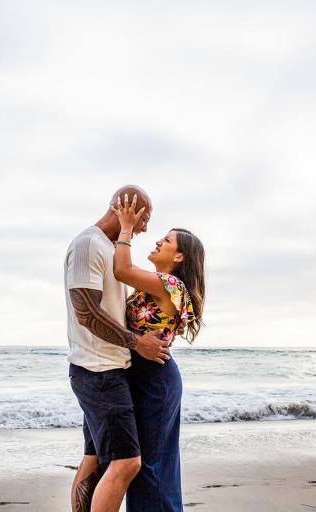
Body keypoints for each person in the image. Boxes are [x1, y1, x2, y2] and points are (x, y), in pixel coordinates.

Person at [65, 185, 170, 512]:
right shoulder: (88, 245)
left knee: (94, 460)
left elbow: (116, 309)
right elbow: (87, 313)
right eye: (144, 218)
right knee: (127, 463)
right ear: (127, 208)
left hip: (107, 369)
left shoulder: (112, 249)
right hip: (99, 373)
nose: (145, 228)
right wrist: (138, 343)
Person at [111, 193, 206, 512]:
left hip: (156, 380)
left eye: (165, 241)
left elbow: (121, 269)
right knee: (149, 466)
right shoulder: (156, 286)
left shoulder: (169, 285)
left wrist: (125, 227)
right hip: (147, 376)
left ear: (178, 257)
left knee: (149, 467)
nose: (157, 242)